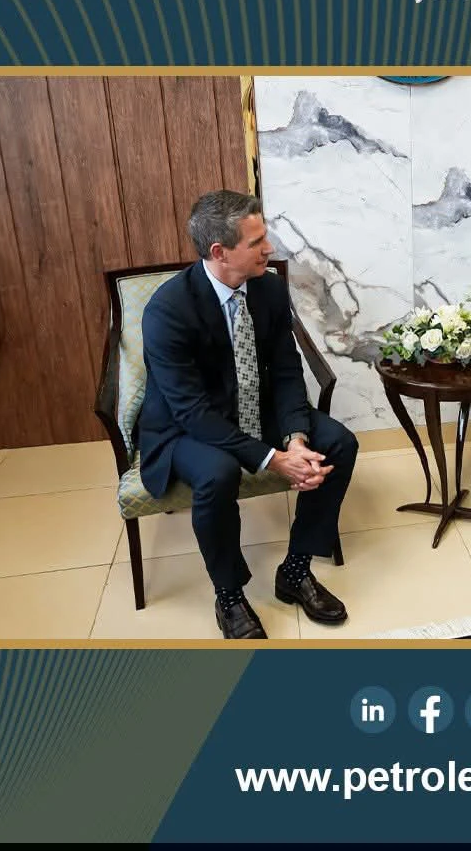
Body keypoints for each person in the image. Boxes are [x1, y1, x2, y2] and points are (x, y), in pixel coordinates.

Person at [139, 190, 358, 639]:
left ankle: (295, 570)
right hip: (185, 428)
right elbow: (191, 411)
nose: (269, 248)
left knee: (338, 442)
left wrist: (296, 438)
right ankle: (229, 595)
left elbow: (286, 370)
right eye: (257, 242)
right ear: (219, 252)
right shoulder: (167, 310)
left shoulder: (269, 289)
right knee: (217, 472)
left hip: (254, 406)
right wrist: (273, 460)